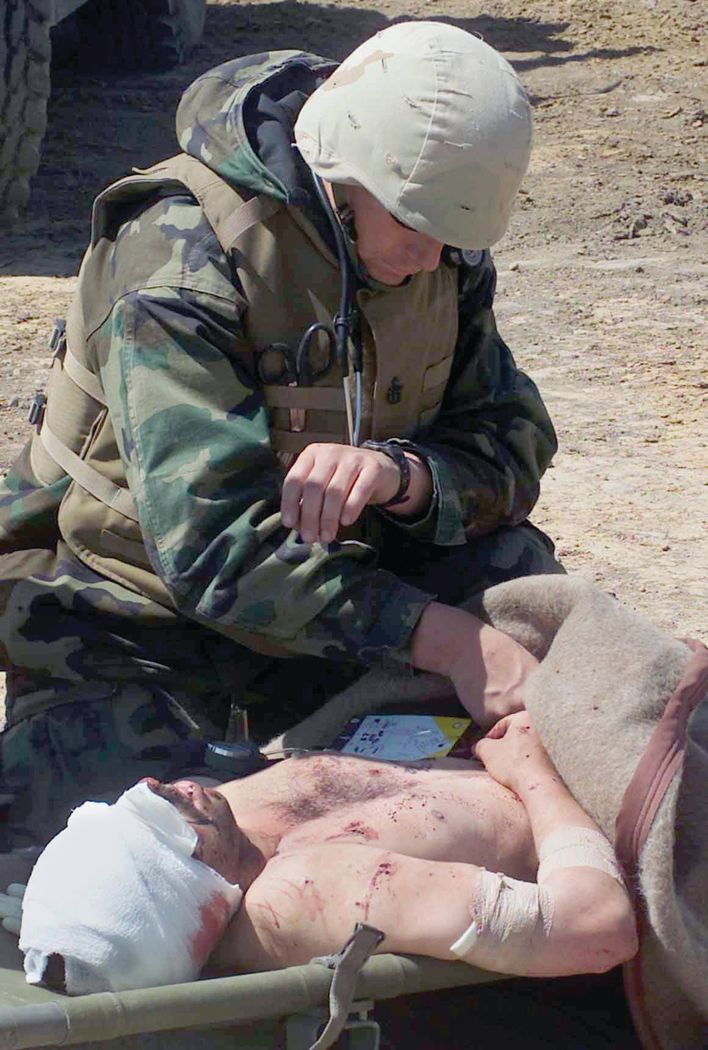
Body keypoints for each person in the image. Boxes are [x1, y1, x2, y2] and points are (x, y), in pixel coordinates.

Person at [0, 20, 562, 848]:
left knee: (525, 609)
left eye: (450, 235)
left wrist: (401, 474)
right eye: (413, 225)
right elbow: (212, 548)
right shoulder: (182, 252)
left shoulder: (430, 239)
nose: (431, 255)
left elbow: (514, 446)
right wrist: (442, 640)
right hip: (138, 617)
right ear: (345, 171)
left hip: (337, 598)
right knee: (130, 854)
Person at [4, 712, 637, 994]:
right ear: (195, 898)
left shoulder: (225, 829)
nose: (151, 787)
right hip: (600, 802)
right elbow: (596, 928)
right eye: (159, 819)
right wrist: (534, 773)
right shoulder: (311, 896)